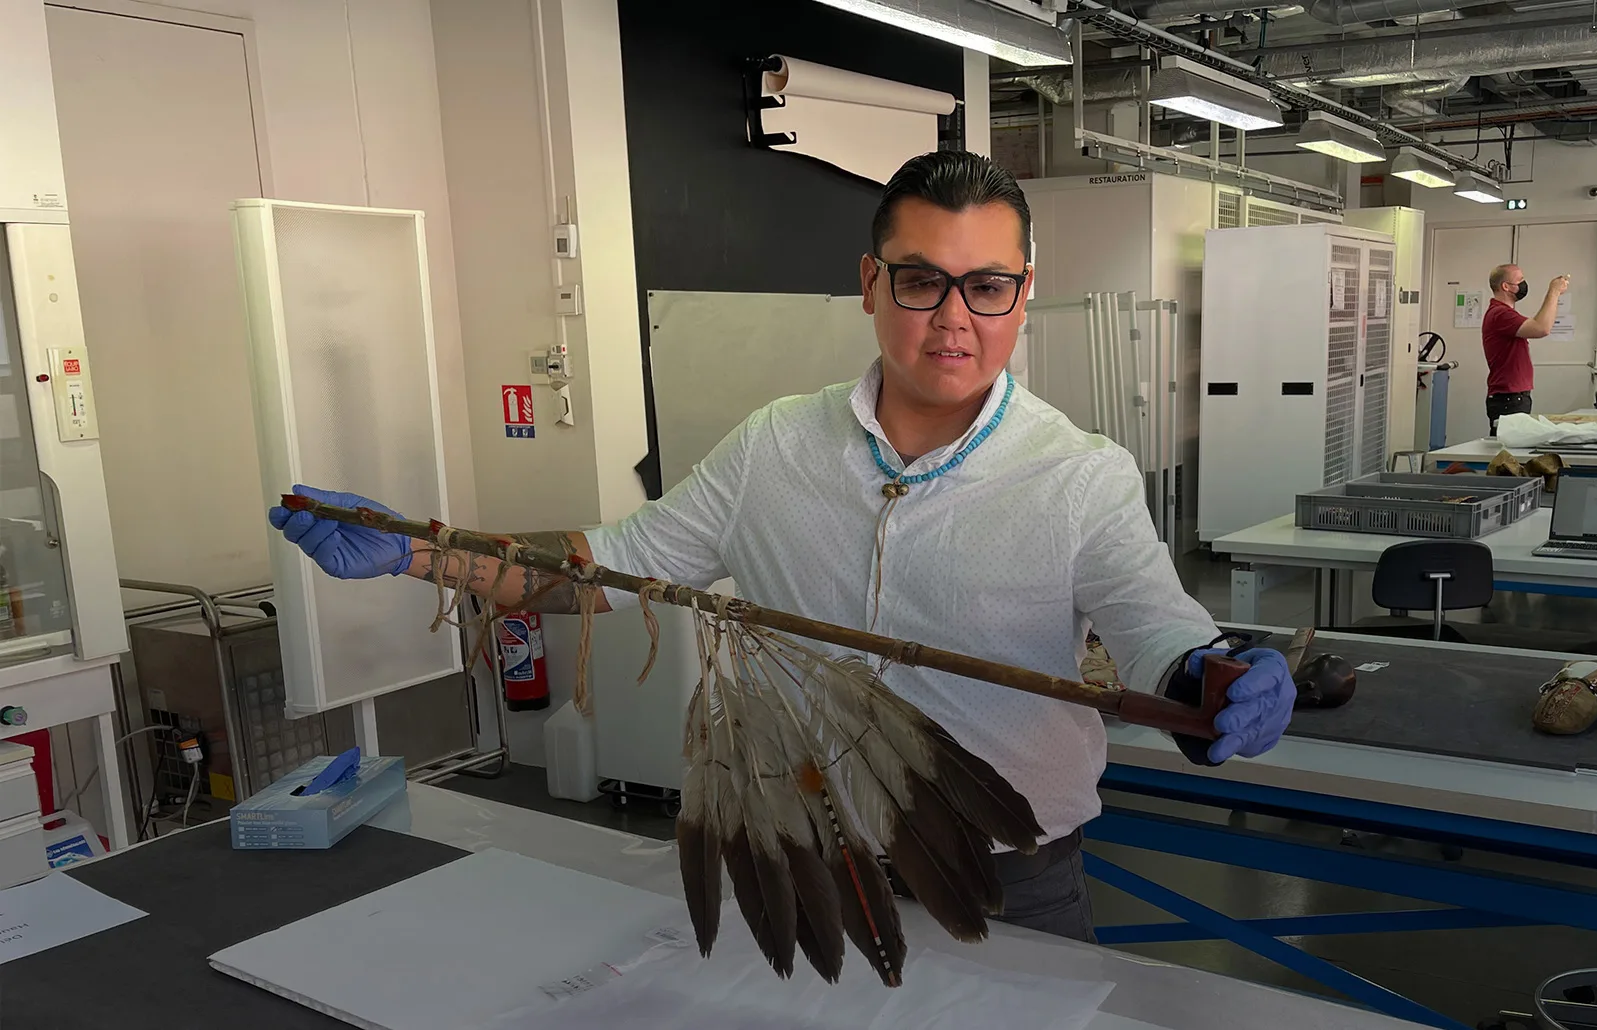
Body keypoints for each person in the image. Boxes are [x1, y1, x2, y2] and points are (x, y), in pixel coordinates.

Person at [264, 152, 1296, 944]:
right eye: (920, 280)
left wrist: (1211, 674)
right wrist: (419, 552)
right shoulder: (773, 447)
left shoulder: (1082, 475)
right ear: (869, 283)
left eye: (986, 286)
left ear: (1024, 291)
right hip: (808, 860)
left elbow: (1159, 628)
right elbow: (605, 566)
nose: (951, 319)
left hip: (1006, 875)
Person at [1481, 264, 1571, 434]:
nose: (1523, 284)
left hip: (1514, 395)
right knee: (1509, 456)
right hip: (1509, 397)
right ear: (1506, 286)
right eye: (1520, 280)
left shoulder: (1505, 313)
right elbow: (1541, 328)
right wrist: (1554, 292)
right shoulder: (1500, 314)